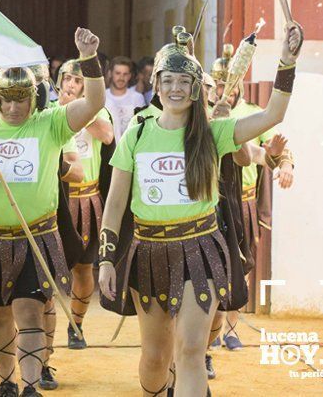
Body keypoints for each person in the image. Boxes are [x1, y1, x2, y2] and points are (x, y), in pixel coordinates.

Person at [99, 24, 303, 396]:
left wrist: (287, 61)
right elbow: (115, 203)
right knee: (156, 358)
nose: (175, 88)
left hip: (200, 252)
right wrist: (108, 258)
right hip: (148, 253)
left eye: (183, 81)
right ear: (156, 85)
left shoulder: (214, 133)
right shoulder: (137, 134)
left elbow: (273, 114)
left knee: (191, 350)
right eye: (168, 80)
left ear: (195, 88)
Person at [0, 28, 104, 397]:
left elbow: (95, 102)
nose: (13, 108)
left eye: (21, 99)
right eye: (6, 100)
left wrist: (88, 58)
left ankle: (30, 386)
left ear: (33, 98)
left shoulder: (50, 123)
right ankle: (6, 381)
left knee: (31, 312)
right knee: (0, 315)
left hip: (37, 236)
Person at [206, 45, 295, 357]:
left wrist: (283, 163)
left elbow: (268, 149)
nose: (223, 91)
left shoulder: (250, 113)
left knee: (240, 265)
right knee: (209, 269)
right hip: (207, 203)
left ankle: (230, 329)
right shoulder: (197, 117)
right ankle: (209, 333)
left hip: (241, 202)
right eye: (217, 85)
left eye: (227, 84)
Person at [56, 59, 115, 352]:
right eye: (67, 79)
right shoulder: (48, 111)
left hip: (88, 198)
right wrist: (63, 110)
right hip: (57, 200)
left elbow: (107, 135)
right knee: (49, 268)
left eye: (78, 81)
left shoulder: (97, 109)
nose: (71, 85)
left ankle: (76, 325)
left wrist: (82, 111)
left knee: (83, 268)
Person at [105, 56, 146, 142]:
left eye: (125, 74)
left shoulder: (137, 98)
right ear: (110, 73)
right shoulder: (102, 97)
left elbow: (142, 126)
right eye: (118, 73)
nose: (121, 78)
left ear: (130, 76)